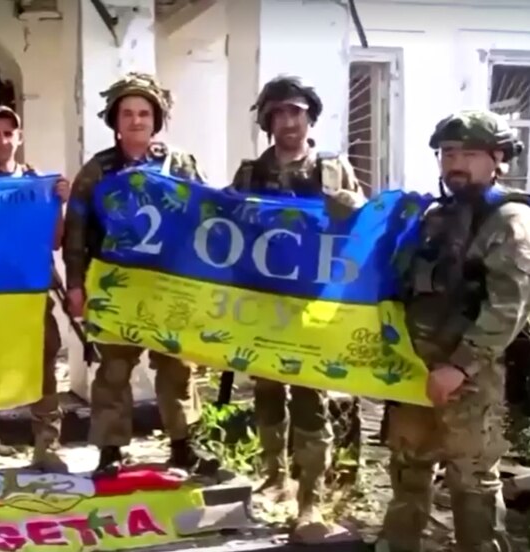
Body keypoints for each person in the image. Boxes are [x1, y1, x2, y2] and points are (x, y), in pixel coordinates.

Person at [379, 109, 530, 552]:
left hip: (470, 380)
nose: (454, 163)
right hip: (414, 372)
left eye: (468, 153)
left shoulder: (509, 222)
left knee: (473, 484)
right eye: (446, 153)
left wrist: (459, 368)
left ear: (497, 158)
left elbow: (510, 306)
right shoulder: (435, 216)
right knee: (408, 472)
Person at [227, 74, 365, 542]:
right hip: (262, 301)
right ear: (268, 121)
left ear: (310, 118)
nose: (289, 122)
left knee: (310, 403)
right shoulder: (251, 173)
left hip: (315, 305)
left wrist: (355, 207)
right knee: (267, 395)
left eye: (297, 113)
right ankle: (274, 476)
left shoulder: (334, 169)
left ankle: (311, 500)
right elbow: (222, 230)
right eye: (280, 113)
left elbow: (366, 228)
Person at [61, 72, 217, 477]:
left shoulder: (179, 164)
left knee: (176, 369)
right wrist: (76, 286)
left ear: (156, 119)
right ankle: (110, 451)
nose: (136, 121)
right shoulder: (97, 171)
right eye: (127, 113)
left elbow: (207, 217)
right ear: (115, 120)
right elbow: (76, 231)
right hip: (117, 286)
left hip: (170, 286)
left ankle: (184, 446)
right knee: (112, 372)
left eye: (144, 113)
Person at [0, 106, 70, 473]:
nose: (3, 140)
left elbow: (54, 242)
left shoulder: (36, 182)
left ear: (19, 139)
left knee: (43, 367)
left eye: (10, 133)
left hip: (29, 293)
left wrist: (58, 204)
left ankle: (46, 447)